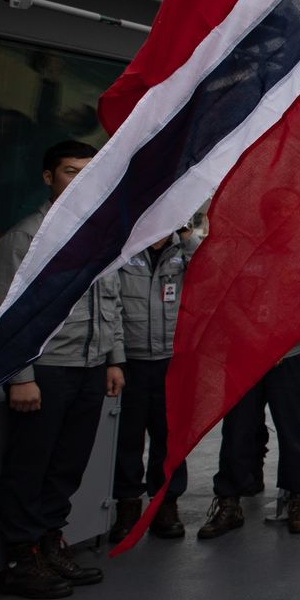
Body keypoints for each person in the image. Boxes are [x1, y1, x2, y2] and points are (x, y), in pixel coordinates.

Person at [0, 140, 124, 598]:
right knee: (30, 463)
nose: (78, 180)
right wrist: (20, 377)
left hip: (89, 366)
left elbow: (111, 299)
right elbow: (4, 316)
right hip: (46, 369)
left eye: (87, 172)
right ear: (48, 177)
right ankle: (22, 556)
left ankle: (50, 540)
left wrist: (113, 359)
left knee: (67, 464)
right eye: (69, 171)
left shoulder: (100, 235)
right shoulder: (25, 238)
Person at [108, 225, 198, 543]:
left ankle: (166, 504)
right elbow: (113, 307)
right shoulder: (124, 250)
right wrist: (115, 359)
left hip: (171, 359)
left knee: (169, 437)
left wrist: (187, 236)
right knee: (127, 439)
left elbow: (211, 270)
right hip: (131, 360)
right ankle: (128, 506)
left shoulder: (182, 251)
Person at [199, 321, 300, 538]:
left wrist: (280, 342)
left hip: (293, 349)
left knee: (296, 430)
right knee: (237, 428)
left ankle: (298, 499)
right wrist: (258, 341)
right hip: (245, 349)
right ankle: (229, 502)